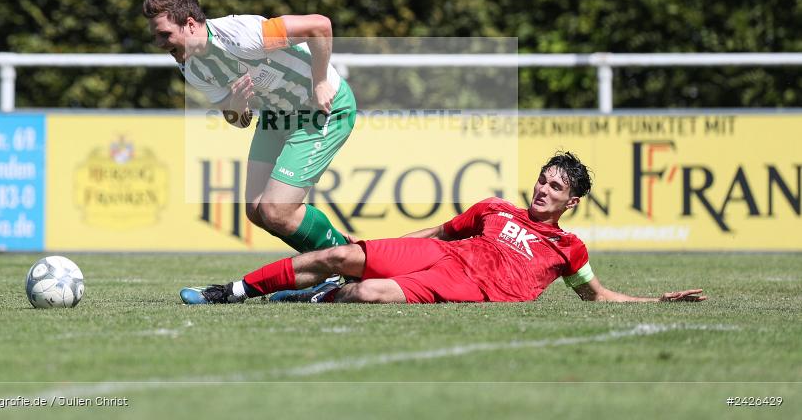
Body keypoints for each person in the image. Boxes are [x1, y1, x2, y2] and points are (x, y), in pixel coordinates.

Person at [179, 152, 706, 304]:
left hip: (464, 287)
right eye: (542, 180)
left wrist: (657, 301)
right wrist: (379, 245)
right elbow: (439, 233)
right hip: (443, 256)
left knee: (368, 294)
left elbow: (597, 296)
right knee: (341, 257)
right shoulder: (495, 208)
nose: (542, 190)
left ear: (572, 201)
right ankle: (229, 291)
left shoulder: (570, 248)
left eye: (555, 187)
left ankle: (309, 297)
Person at [143, 0, 356, 253]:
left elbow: (320, 25)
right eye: (156, 37)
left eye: (164, 34)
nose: (159, 44)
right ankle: (334, 256)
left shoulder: (242, 35)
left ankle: (346, 259)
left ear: (190, 24)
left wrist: (321, 81)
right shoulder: (192, 67)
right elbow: (239, 121)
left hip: (322, 110)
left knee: (276, 210)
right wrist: (236, 106)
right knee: (257, 211)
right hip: (275, 117)